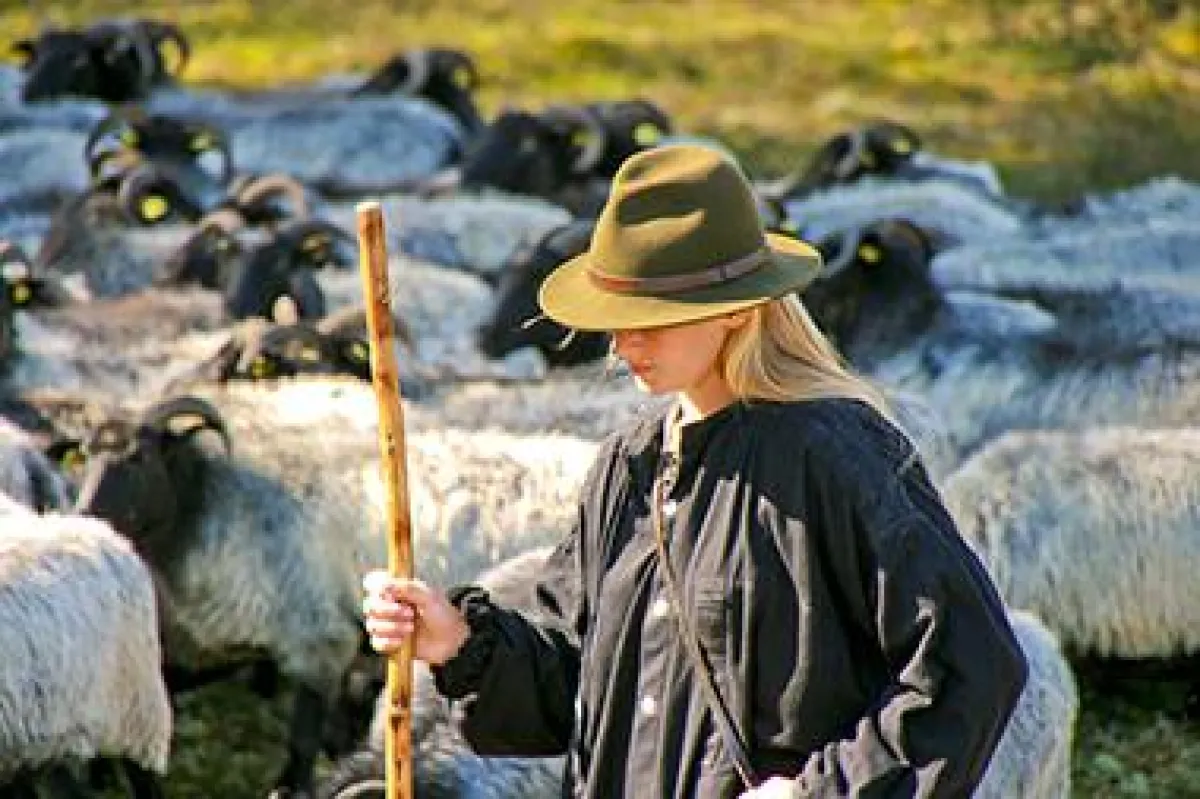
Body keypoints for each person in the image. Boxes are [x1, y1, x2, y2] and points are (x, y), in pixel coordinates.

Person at [362, 143, 1028, 798]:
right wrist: (454, 640)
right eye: (616, 318)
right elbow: (575, 684)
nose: (623, 344)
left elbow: (971, 663)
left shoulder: (838, 454)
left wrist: (820, 792)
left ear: (738, 307)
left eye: (651, 317)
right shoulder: (628, 466)